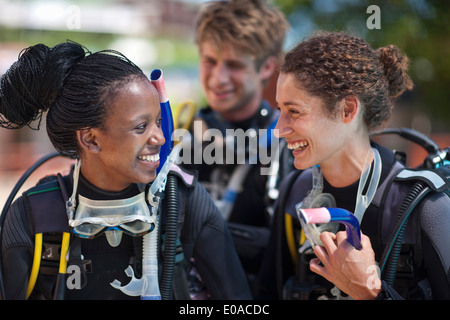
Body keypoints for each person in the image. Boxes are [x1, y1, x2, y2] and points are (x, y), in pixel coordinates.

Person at [0, 41, 252, 300]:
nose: (160, 139)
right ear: (91, 139)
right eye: (141, 127)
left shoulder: (184, 201)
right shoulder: (35, 215)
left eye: (158, 122)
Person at [255, 31, 450, 300]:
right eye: (279, 110)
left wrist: (370, 292)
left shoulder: (427, 209)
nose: (278, 129)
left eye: (294, 111)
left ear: (348, 109)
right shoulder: (294, 194)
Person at [181, 0, 292, 283]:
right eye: (210, 61)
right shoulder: (176, 140)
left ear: (267, 67)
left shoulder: (288, 144)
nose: (219, 78)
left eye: (234, 65)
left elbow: (289, 252)